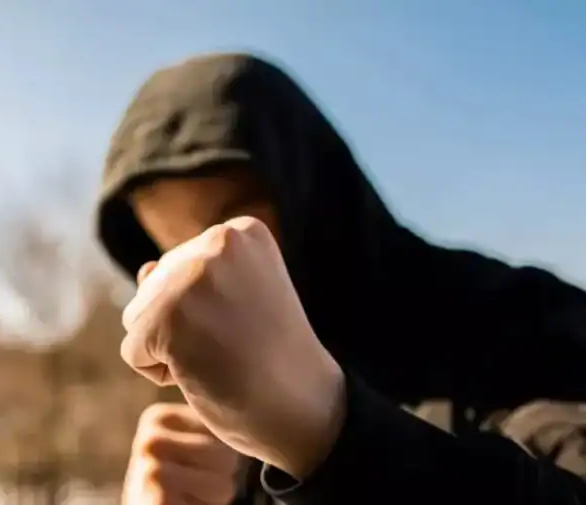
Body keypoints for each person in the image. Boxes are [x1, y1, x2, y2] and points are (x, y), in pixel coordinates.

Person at [95, 52, 586, 504]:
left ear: (315, 194)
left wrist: (331, 436)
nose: (204, 277)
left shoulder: (520, 319)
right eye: (173, 252)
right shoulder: (226, 448)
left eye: (234, 229)